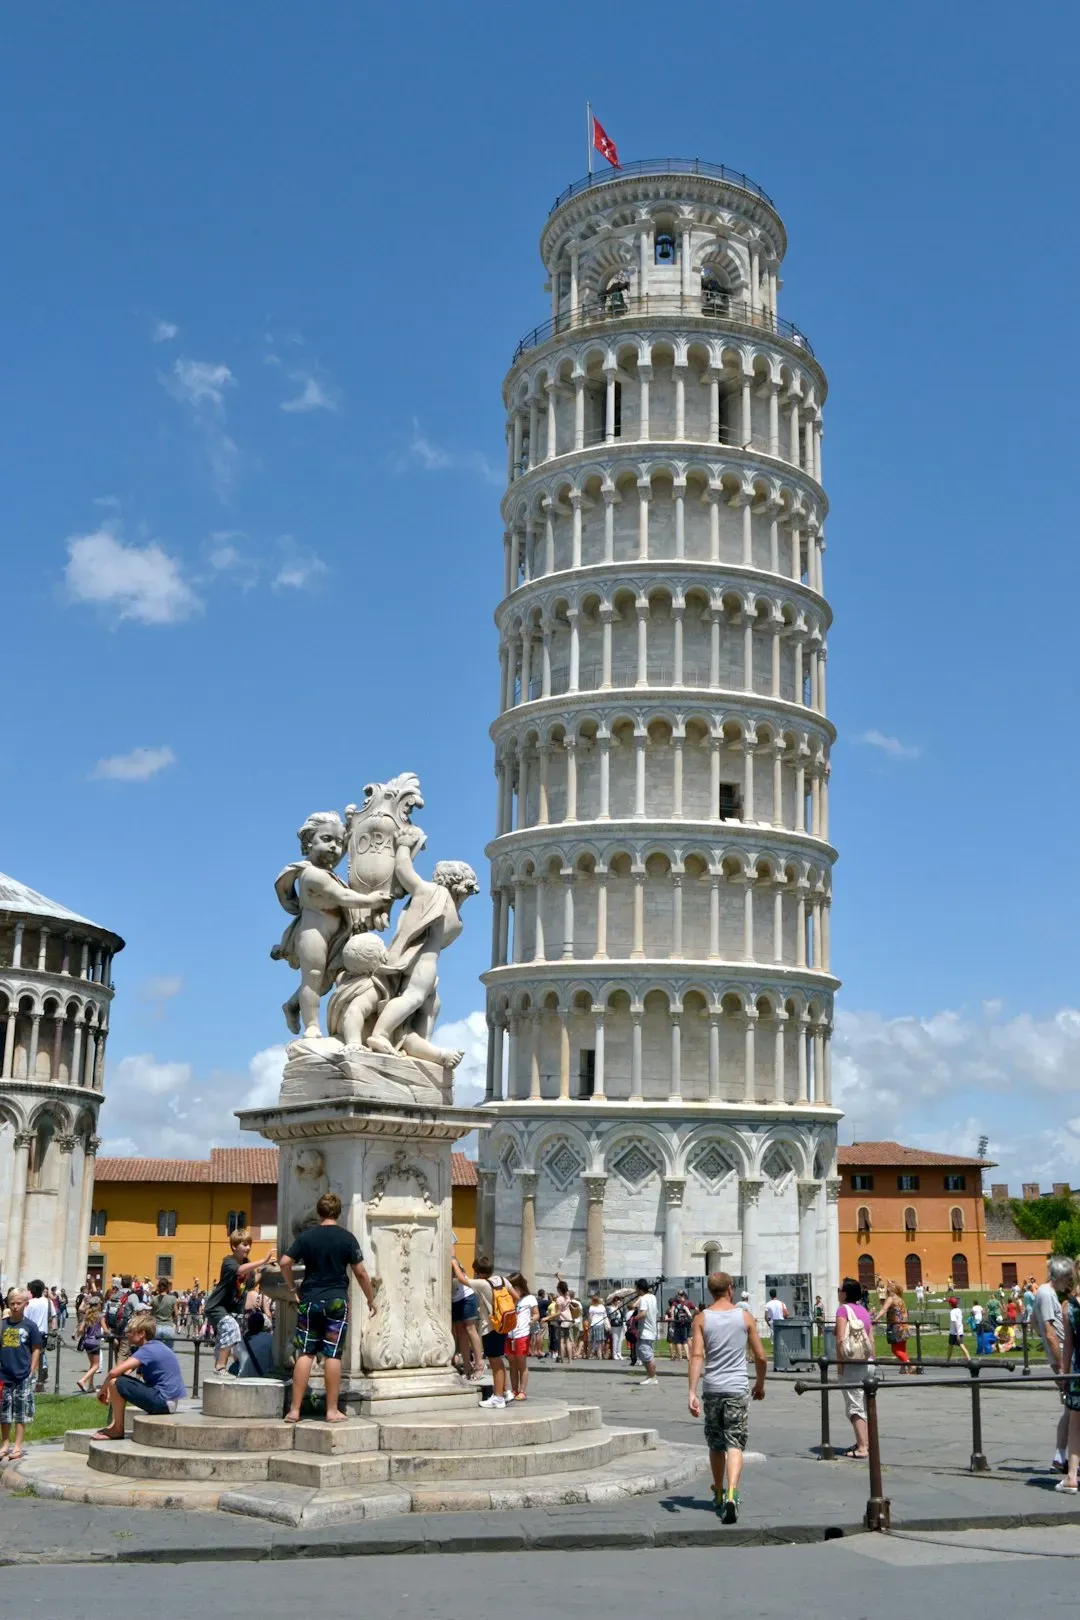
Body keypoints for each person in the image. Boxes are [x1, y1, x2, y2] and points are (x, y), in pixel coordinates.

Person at [279, 1192, 376, 1423]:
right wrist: (370, 1299)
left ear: (319, 1212)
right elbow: (361, 1272)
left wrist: (292, 1287)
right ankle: (332, 1411)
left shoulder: (307, 1237)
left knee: (306, 1353)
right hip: (336, 1301)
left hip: (310, 1299)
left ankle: (294, 1410)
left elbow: (284, 1262)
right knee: (333, 1353)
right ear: (338, 1212)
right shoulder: (347, 1238)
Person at [688, 1270, 767, 1524]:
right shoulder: (744, 1317)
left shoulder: (701, 1318)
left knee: (715, 1443)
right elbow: (761, 1356)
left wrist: (691, 1391)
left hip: (712, 1388)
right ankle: (733, 1493)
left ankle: (719, 1492)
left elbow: (697, 1356)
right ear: (730, 1288)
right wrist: (760, 1384)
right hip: (736, 1387)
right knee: (734, 1442)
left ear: (710, 1291)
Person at [93, 1313, 186, 1438]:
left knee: (116, 1382)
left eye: (130, 1331)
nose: (126, 1334)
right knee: (117, 1382)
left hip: (163, 1402)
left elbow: (113, 1372)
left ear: (142, 1333)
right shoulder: (156, 1346)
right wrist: (113, 1388)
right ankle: (115, 1426)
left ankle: (117, 1429)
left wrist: (102, 1391)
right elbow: (125, 1372)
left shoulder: (147, 1350)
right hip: (169, 1402)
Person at [205, 1229, 276, 1373]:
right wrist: (263, 1261)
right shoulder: (228, 1262)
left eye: (249, 1244)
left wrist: (265, 1269)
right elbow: (239, 1270)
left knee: (225, 1338)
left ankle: (219, 1370)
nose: (248, 1248)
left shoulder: (248, 1264)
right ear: (234, 1246)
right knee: (230, 1328)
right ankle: (220, 1367)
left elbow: (251, 1283)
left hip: (232, 1310)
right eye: (244, 1244)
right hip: (216, 1306)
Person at [467, 1258, 516, 1409]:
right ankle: (505, 1392)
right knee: (498, 1360)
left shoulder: (483, 1283)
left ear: (480, 1273)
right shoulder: (502, 1280)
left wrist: (454, 1264)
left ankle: (498, 1398)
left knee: (495, 1362)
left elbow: (462, 1280)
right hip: (503, 1324)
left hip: (490, 1327)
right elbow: (516, 1297)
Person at [0, 1290, 44, 1461]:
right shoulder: (3, 1325)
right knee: (4, 1412)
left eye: (19, 1303)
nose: (15, 1307)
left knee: (21, 1410)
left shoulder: (30, 1326)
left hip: (22, 1374)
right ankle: (5, 1444)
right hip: (4, 1374)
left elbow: (36, 1348)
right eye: (12, 1303)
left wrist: (32, 1370)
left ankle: (18, 1445)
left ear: (26, 1304)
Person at [835, 1277, 875, 1459]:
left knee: (854, 1406)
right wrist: (872, 1360)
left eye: (839, 1290)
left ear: (845, 1294)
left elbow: (840, 1340)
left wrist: (840, 1365)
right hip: (867, 1361)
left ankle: (862, 1447)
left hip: (852, 1364)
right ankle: (866, 1442)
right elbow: (871, 1338)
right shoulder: (863, 1310)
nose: (838, 1293)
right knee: (866, 1405)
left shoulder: (843, 1310)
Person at [1055, 1270, 1080, 1493]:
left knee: (1075, 1422)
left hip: (1078, 1370)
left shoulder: (1069, 1307)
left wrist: (1063, 1373)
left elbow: (1068, 1344)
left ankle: (1072, 1476)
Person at [449, 1255, 485, 1380]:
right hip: (454, 1299)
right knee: (460, 1333)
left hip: (466, 1296)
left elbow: (461, 1277)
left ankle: (479, 1364)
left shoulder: (453, 1261)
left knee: (470, 1329)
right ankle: (467, 1366)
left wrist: (453, 1262)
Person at [505, 1272, 538, 1400]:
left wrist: (532, 1320)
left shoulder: (529, 1298)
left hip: (522, 1335)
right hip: (509, 1335)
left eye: (515, 1287)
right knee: (512, 1364)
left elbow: (536, 1313)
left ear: (521, 1286)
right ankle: (514, 1390)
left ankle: (522, 1391)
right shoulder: (509, 1298)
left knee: (521, 1364)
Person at [24, 1280, 54, 1392]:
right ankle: (40, 1382)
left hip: (30, 1332)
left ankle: (30, 1377)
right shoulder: (48, 1302)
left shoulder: (29, 1303)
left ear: (31, 1290)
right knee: (40, 1356)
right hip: (43, 1333)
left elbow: (25, 1318)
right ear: (42, 1289)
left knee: (29, 1356)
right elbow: (53, 1316)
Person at [876, 1281, 911, 1372]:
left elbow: (884, 1309)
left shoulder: (891, 1298)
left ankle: (909, 1365)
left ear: (890, 1289)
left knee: (895, 1350)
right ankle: (903, 1368)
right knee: (902, 1349)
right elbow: (904, 1314)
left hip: (896, 1326)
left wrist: (876, 1318)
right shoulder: (900, 1299)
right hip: (904, 1326)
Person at [631, 1278, 659, 1388]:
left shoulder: (643, 1299)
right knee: (643, 1353)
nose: (635, 1290)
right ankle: (650, 1376)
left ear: (639, 1288)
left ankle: (652, 1377)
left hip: (645, 1331)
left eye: (636, 1288)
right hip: (651, 1330)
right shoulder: (653, 1297)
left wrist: (633, 1320)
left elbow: (643, 1313)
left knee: (647, 1355)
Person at [234, 1309, 274, 1377]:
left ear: (248, 1325)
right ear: (262, 1325)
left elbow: (236, 1358)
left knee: (233, 1367)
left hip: (243, 1377)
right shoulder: (269, 1338)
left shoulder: (240, 1341)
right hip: (263, 1377)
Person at [75, 1299, 103, 1393]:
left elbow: (80, 1329)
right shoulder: (100, 1316)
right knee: (96, 1365)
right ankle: (82, 1380)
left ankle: (91, 1386)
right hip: (95, 1342)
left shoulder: (87, 1315)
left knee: (92, 1364)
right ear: (98, 1305)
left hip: (87, 1341)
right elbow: (106, 1330)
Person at [151, 1278, 179, 1346]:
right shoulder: (173, 1298)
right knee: (168, 1350)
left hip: (157, 1327)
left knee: (156, 1349)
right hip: (168, 1326)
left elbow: (151, 1313)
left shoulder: (154, 1299)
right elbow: (176, 1314)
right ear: (167, 1287)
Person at [669, 1293, 695, 1362]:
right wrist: (690, 1320)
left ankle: (680, 1356)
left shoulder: (674, 1306)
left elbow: (672, 1313)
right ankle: (688, 1356)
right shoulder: (684, 1306)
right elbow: (689, 1314)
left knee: (678, 1341)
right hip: (684, 1325)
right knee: (685, 1341)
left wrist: (673, 1321)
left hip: (677, 1324)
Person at [947, 1294, 970, 1362]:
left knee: (952, 1346)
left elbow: (955, 1322)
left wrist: (957, 1334)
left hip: (954, 1333)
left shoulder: (952, 1312)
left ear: (950, 1304)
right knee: (959, 1345)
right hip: (960, 1331)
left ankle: (948, 1361)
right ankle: (969, 1359)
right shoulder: (959, 1310)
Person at [608, 1297, 627, 1361]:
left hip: (620, 1324)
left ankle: (619, 1353)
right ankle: (614, 1354)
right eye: (616, 1301)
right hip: (615, 1325)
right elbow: (612, 1314)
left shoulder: (620, 1308)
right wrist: (617, 1307)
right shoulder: (611, 1308)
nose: (618, 1302)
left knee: (620, 1340)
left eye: (619, 1301)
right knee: (615, 1339)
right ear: (614, 1302)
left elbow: (622, 1315)